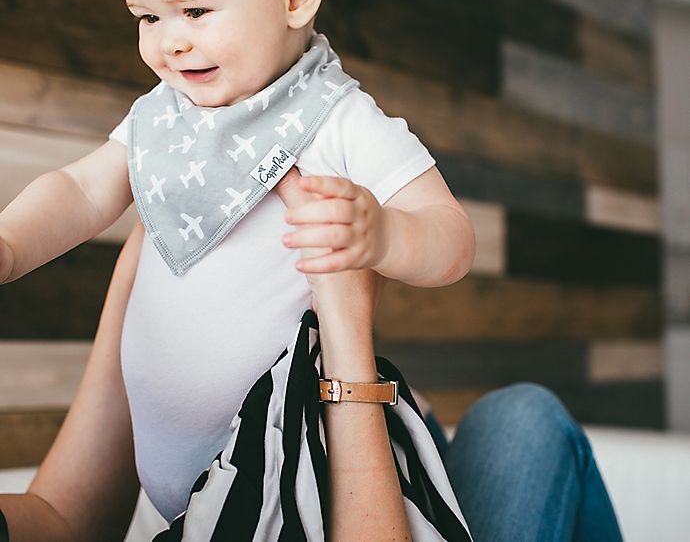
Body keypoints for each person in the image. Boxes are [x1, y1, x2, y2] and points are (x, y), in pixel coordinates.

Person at [0, 0, 475, 533]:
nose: (168, 45)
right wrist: (10, 245)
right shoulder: (162, 116)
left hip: (297, 476)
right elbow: (79, 189)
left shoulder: (336, 119)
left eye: (193, 9)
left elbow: (452, 239)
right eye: (146, 18)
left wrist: (386, 233)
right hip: (186, 499)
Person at [0, 194, 623, 541]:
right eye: (152, 17)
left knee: (506, 418)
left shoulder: (165, 225)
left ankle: (409, 437)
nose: (171, 44)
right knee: (524, 420)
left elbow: (61, 516)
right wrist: (347, 328)